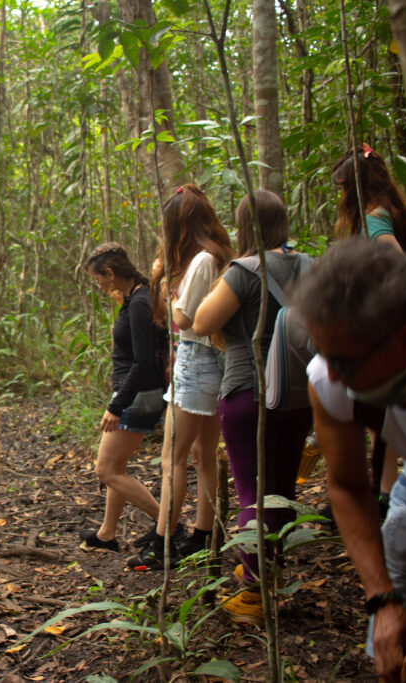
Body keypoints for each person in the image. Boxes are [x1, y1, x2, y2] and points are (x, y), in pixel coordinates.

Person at [293, 238, 406, 683]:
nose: (334, 375)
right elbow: (345, 485)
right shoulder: (329, 378)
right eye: (326, 355)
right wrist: (382, 599)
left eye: (345, 359)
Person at [191, 190, 313, 625]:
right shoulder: (309, 265)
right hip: (300, 395)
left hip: (248, 390)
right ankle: (270, 574)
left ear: (244, 226)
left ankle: (252, 594)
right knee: (281, 488)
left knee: (252, 495)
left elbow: (202, 321)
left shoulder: (245, 270)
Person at [129, 184, 234, 571]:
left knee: (172, 457)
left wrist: (166, 285)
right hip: (208, 360)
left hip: (198, 359)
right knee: (202, 455)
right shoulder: (214, 257)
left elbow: (183, 319)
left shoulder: (203, 262)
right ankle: (202, 537)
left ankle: (163, 542)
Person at [332, 143, 406, 516]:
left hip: (386, 327)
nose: (340, 196)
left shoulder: (374, 218)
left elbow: (397, 263)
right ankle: (384, 489)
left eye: (343, 188)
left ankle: (386, 493)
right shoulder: (392, 209)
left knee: (377, 412)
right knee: (382, 413)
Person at [77, 243, 167, 554]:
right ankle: (107, 534)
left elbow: (144, 362)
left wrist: (116, 406)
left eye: (97, 278)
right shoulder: (137, 298)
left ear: (111, 274)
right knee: (118, 466)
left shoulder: (140, 302)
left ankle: (169, 526)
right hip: (138, 393)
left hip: (138, 396)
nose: (98, 284)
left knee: (107, 471)